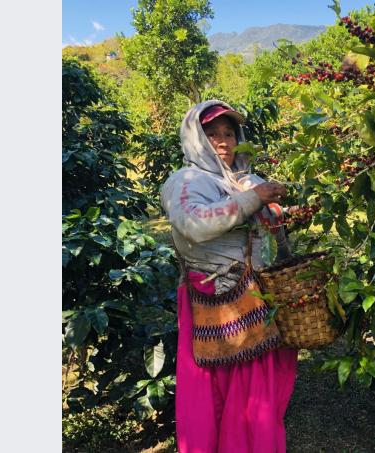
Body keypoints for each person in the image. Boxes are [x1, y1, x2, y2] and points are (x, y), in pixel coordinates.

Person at [160, 100, 298, 452]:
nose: (223, 141)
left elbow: (268, 225)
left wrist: (279, 212)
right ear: (195, 139)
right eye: (212, 134)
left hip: (252, 297)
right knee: (218, 388)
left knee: (254, 389)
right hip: (217, 300)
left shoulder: (244, 178)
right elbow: (194, 224)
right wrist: (252, 199)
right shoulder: (187, 180)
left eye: (229, 133)